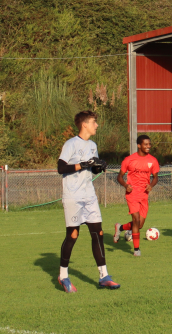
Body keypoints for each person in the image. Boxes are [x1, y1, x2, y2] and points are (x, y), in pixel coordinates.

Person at [56, 111, 119, 292]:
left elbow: (91, 170)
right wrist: (81, 164)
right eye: (94, 122)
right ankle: (63, 276)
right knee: (73, 235)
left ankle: (104, 276)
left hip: (89, 195)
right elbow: (61, 167)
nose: (96, 125)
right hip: (73, 196)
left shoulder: (93, 145)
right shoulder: (71, 144)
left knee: (98, 233)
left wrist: (98, 166)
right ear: (84, 124)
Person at [114, 135, 160, 257]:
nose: (148, 146)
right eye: (145, 144)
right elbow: (119, 176)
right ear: (139, 145)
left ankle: (120, 227)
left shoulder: (153, 160)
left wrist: (151, 185)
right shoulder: (129, 160)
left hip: (144, 195)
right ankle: (136, 250)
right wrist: (125, 185)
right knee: (136, 219)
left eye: (149, 144)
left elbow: (156, 177)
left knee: (139, 224)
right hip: (132, 194)